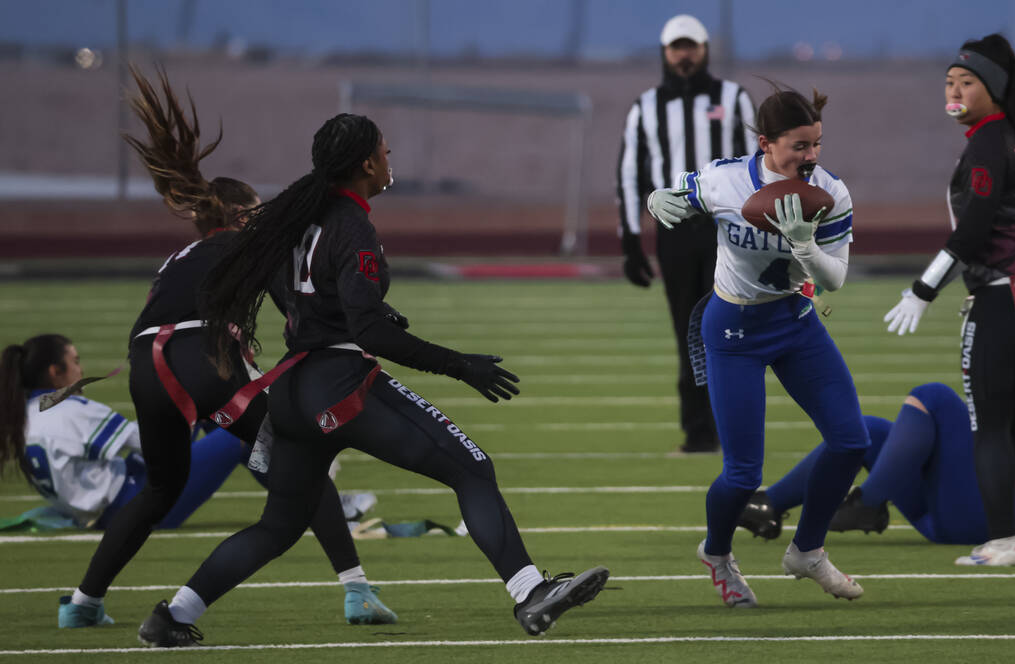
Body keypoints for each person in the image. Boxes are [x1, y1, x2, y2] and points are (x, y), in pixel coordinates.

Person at [134, 112, 608, 647]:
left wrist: (367, 315)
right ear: (365, 163)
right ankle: (529, 593)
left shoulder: (293, 217)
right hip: (339, 382)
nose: (390, 160)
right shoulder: (349, 223)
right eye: (385, 151)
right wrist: (461, 365)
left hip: (290, 390)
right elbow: (369, 333)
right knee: (472, 468)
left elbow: (317, 299)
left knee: (279, 525)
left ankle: (171, 615)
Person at [57, 67, 395, 630]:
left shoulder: (180, 257)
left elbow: (162, 318)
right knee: (300, 452)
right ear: (241, 215)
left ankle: (83, 603)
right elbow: (296, 308)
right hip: (199, 352)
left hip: (147, 361)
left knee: (161, 487)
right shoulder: (248, 240)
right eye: (258, 208)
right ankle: (357, 590)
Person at [647, 83, 867, 607]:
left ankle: (808, 550)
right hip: (733, 330)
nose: (811, 157)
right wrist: (659, 198)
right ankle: (717, 553)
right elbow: (684, 192)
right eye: (799, 146)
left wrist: (805, 247)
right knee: (744, 473)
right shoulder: (727, 179)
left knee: (852, 442)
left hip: (794, 322)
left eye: (816, 144)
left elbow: (834, 279)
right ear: (767, 143)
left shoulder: (830, 193)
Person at [881, 34, 1015, 566]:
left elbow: (973, 231)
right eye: (950, 81)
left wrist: (922, 290)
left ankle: (1000, 543)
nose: (956, 89)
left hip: (1006, 297)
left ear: (995, 90)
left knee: (989, 425)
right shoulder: (1013, 137)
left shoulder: (988, 143)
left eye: (968, 81)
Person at [741, 318, 1015, 552]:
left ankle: (867, 504)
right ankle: (769, 505)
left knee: (934, 398)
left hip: (1003, 518)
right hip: (969, 512)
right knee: (867, 431)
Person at [617, 14, 756, 454]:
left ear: (704, 50)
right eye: (676, 47)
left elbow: (759, 165)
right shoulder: (644, 107)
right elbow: (628, 175)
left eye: (691, 46)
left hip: (726, 230)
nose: (684, 54)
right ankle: (698, 431)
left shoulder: (734, 98)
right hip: (675, 233)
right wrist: (630, 241)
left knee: (729, 328)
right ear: (664, 52)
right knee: (687, 330)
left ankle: (732, 428)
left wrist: (760, 229)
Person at [1, 334, 246, 532]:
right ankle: (283, 500)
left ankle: (282, 494)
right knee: (240, 427)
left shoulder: (24, 417)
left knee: (203, 407)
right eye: (75, 361)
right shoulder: (70, 410)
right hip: (135, 504)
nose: (81, 369)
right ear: (55, 372)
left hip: (110, 504)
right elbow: (151, 443)